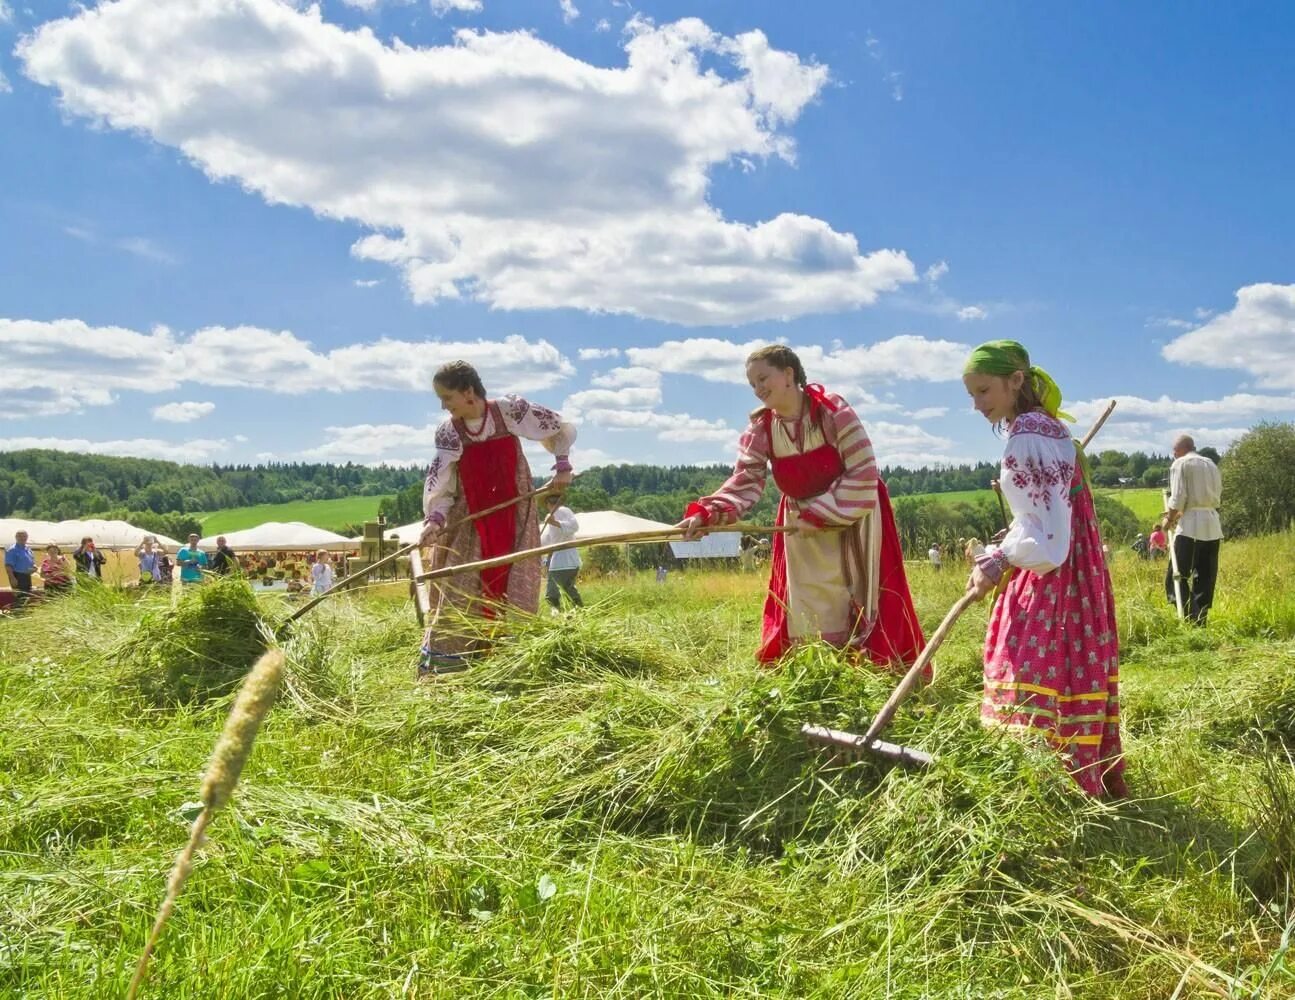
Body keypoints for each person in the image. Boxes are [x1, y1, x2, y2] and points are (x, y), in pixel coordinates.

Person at [678, 345, 925, 669]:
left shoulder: (832, 411)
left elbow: (863, 471)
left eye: (763, 378)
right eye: (752, 384)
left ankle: (867, 671)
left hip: (852, 517)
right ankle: (818, 670)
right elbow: (746, 479)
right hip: (799, 524)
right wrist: (708, 513)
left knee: (856, 593)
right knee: (809, 600)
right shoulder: (761, 428)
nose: (758, 389)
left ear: (789, 374)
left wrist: (820, 513)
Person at [962, 340, 1125, 799]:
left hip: (1054, 573)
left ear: (1016, 381)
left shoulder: (1028, 435)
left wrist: (997, 559)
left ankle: (1038, 786)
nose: (977, 404)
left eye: (984, 390)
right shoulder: (1046, 429)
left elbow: (1048, 541)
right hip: (1076, 572)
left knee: (1026, 661)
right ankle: (1067, 777)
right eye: (971, 395)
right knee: (1067, 664)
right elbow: (1045, 518)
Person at [418, 360, 576, 675]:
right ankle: (449, 669)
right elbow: (443, 484)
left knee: (514, 586)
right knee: (462, 587)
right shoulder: (450, 433)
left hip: (514, 515)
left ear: (468, 392)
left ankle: (511, 666)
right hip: (472, 521)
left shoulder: (507, 411)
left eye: (447, 397)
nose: (443, 405)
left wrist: (562, 464)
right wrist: (434, 520)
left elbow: (558, 426)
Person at [1163, 434, 1222, 625]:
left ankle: (1191, 616)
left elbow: (1178, 497)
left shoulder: (1181, 464)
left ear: (1181, 449)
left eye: (1174, 451)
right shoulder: (1211, 464)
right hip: (1212, 524)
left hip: (1191, 528)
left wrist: (1169, 519)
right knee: (1205, 577)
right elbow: (1209, 498)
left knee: (1176, 576)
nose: (1173, 455)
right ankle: (1200, 620)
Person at [540, 493, 583, 610]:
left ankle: (562, 617)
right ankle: (578, 613)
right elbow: (548, 538)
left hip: (563, 561)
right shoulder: (551, 515)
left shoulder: (563, 510)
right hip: (563, 561)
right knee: (566, 590)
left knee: (553, 595)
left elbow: (574, 526)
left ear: (548, 503)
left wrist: (555, 523)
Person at [5, 530, 37, 610]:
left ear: (27, 537)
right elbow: (8, 566)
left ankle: (24, 614)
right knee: (20, 596)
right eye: (20, 536)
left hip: (27, 575)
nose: (22, 538)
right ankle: (18, 614)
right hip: (17, 576)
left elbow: (31, 561)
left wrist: (34, 567)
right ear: (16, 537)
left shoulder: (28, 549)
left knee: (26, 595)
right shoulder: (12, 550)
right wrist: (12, 578)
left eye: (24, 536)